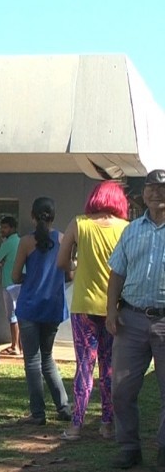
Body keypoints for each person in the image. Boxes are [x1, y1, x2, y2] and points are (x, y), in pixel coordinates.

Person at [57, 180, 129, 441]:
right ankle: (107, 425)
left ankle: (76, 425)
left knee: (84, 366)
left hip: (84, 306)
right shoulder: (126, 228)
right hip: (116, 307)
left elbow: (61, 262)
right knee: (109, 367)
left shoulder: (79, 224)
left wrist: (77, 266)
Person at [105, 169, 165, 470]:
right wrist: (111, 310)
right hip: (131, 319)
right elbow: (117, 272)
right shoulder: (130, 230)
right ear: (143, 195)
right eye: (151, 188)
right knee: (122, 389)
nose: (156, 193)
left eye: (162, 188)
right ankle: (129, 447)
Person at [11, 197, 72, 425]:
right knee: (47, 357)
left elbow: (15, 276)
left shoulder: (26, 242)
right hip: (53, 306)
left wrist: (31, 278)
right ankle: (63, 406)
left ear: (32, 216)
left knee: (32, 361)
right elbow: (70, 274)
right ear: (53, 216)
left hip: (29, 306)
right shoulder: (63, 239)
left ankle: (37, 413)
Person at [0, 216, 22, 356]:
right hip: (21, 283)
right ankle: (19, 345)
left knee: (12, 316)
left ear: (12, 228)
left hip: (10, 283)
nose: (2, 230)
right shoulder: (21, 241)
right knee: (19, 314)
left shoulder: (8, 243)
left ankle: (15, 346)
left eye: (5, 227)